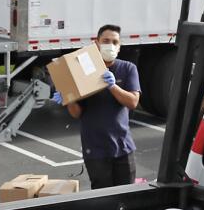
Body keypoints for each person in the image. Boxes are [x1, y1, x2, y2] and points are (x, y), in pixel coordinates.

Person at [55, 24, 142, 189]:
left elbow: (132, 102)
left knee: (127, 195)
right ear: (96, 43)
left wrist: (112, 86)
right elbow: (76, 113)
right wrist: (69, 98)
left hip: (123, 147)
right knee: (102, 198)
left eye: (114, 42)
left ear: (119, 46)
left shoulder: (128, 68)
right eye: (106, 41)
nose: (110, 45)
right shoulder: (83, 71)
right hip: (95, 149)